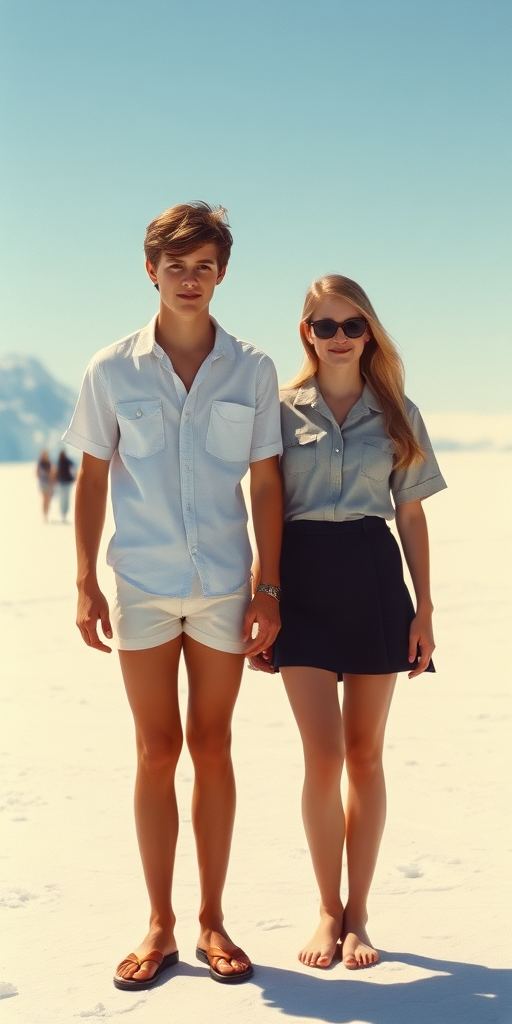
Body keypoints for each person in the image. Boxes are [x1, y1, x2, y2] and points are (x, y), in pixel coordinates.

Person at [63, 202, 283, 988]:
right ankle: (158, 921)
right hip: (145, 587)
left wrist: (268, 586)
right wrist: (86, 579)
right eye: (176, 266)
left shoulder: (252, 369)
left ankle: (213, 919)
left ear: (222, 273)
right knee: (157, 751)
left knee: (214, 746)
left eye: (205, 266)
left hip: (226, 587)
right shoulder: (110, 369)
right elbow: (91, 475)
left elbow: (265, 481)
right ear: (149, 270)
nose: (191, 281)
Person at [251, 274, 446, 971]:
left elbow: (413, 514)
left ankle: (359, 914)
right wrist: (262, 591)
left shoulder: (397, 412)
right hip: (298, 581)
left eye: (351, 325)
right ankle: (326, 909)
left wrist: (425, 606)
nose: (338, 337)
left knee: (364, 755)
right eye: (324, 325)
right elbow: (265, 503)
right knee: (323, 756)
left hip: (372, 579)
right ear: (307, 333)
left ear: (369, 332)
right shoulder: (275, 411)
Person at [54, 449, 75, 521]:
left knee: (64, 499)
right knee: (64, 499)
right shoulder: (61, 462)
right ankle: (63, 513)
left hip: (65, 483)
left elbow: (72, 471)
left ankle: (64, 513)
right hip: (63, 483)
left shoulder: (63, 462)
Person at [36, 449, 54, 520]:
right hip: (43, 483)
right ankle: (44, 514)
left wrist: (52, 482)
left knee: (48, 499)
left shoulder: (49, 463)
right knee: (44, 498)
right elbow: (37, 473)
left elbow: (52, 473)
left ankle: (46, 513)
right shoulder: (40, 463)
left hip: (48, 483)